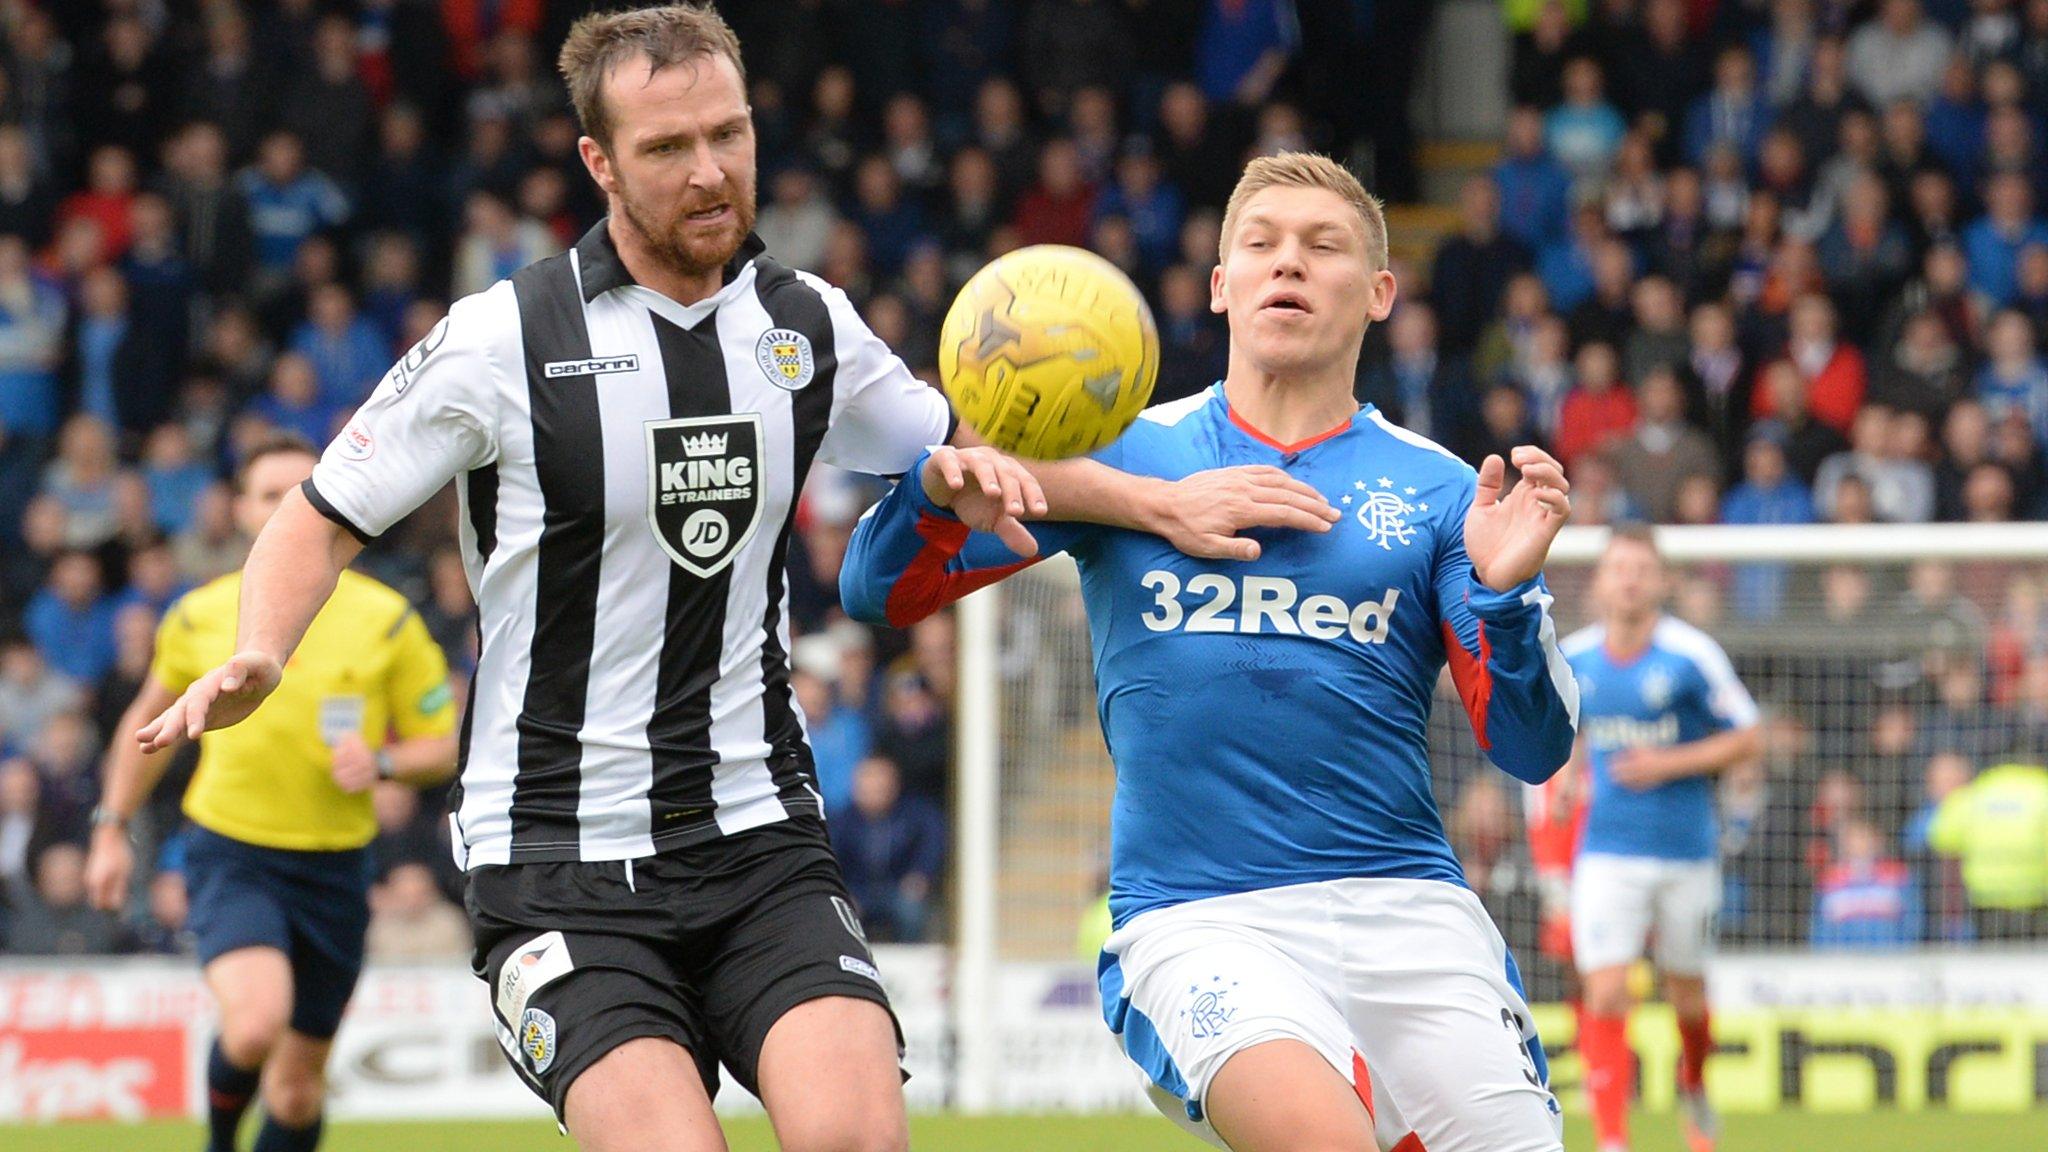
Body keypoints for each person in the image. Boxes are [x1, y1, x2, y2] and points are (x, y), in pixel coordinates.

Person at [136, 8, 1302, 1151]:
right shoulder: (501, 340)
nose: (709, 172)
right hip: (555, 862)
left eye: (728, 136)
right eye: (666, 148)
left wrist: (1157, 502)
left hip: (756, 835)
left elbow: (976, 454)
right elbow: (318, 515)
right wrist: (263, 647)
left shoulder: (805, 325)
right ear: (597, 160)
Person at [844, 151, 1580, 1152]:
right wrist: (933, 494)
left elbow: (1531, 750)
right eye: (1261, 245)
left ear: (1377, 294)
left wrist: (1504, 597)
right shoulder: (1118, 459)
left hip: (1409, 911)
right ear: (1219, 285)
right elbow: (876, 593)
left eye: (1322, 247)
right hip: (1199, 919)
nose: (1289, 264)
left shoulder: (1444, 491)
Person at [85, 434, 459, 1152]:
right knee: (255, 1023)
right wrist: (110, 829)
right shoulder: (199, 614)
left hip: (337, 864)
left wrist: (383, 763)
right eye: (267, 493)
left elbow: (443, 744)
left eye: (303, 491)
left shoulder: (387, 618)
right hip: (233, 851)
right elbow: (144, 724)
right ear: (240, 509)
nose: (286, 506)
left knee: (295, 1090)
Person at [1559, 526, 1762, 1152]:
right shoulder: (1574, 656)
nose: (1629, 579)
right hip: (1608, 850)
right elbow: (1559, 730)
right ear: (1598, 581)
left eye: (1642, 568)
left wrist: (1666, 763)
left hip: (1686, 850)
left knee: (1687, 994)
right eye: (1618, 567)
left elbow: (1749, 736)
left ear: (1663, 581)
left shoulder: (1691, 654)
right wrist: (1567, 768)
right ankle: (1613, 1139)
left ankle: (1694, 1085)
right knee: (1607, 988)